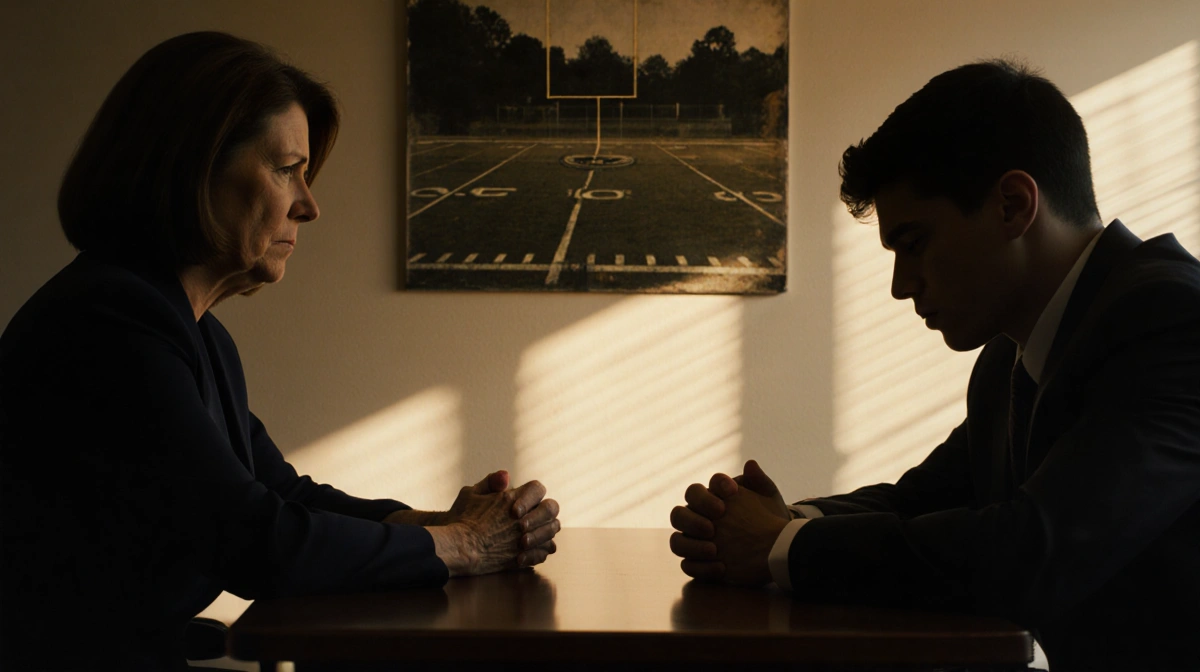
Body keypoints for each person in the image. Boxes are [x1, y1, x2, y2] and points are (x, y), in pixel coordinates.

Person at [0, 32, 560, 671]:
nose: (309, 205)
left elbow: (282, 496)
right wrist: (463, 546)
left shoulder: (193, 330)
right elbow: (256, 542)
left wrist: (439, 522)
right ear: (194, 166)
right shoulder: (112, 323)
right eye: (286, 169)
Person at [670, 58, 1200, 670]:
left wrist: (780, 546)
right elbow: (919, 501)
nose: (900, 286)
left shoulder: (1173, 320)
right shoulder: (1011, 351)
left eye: (914, 244)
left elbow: (1033, 553)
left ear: (1012, 205)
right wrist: (781, 520)